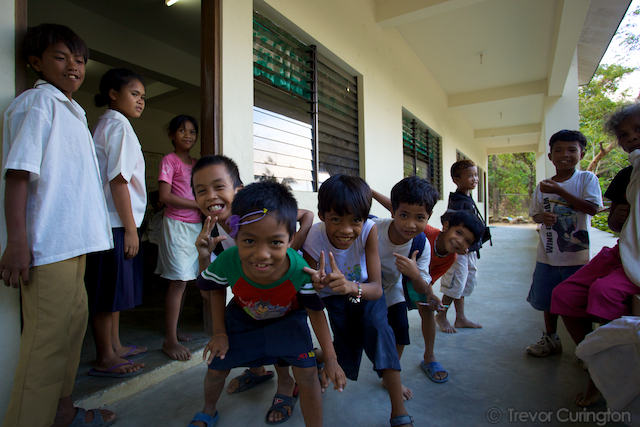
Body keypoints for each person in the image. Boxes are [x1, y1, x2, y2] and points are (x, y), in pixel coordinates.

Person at [0, 24, 115, 427]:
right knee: (45, 345)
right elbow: (18, 174)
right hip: (47, 245)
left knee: (71, 330)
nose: (73, 67)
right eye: (61, 58)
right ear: (36, 62)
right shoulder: (37, 104)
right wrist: (17, 242)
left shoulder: (74, 111)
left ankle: (62, 412)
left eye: (79, 60)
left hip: (74, 243)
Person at [189, 180, 345, 427]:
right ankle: (208, 410)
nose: (262, 254)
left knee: (306, 374)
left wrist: (332, 359)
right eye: (249, 241)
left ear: (291, 239)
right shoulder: (228, 260)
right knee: (216, 369)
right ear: (235, 236)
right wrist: (219, 332)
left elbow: (315, 312)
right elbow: (213, 290)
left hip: (288, 319)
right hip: (242, 316)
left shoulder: (299, 270)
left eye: (275, 242)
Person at [303, 174, 414, 427]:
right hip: (334, 300)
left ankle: (399, 411)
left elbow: (376, 288)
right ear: (322, 215)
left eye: (355, 220)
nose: (346, 229)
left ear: (364, 218)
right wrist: (317, 284)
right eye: (336, 219)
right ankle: (318, 357)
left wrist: (351, 287)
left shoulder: (368, 230)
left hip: (363, 292)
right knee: (346, 357)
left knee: (380, 331)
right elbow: (311, 293)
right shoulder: (314, 238)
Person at [551, 104, 640, 407]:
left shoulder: (586, 179)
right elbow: (613, 223)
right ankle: (593, 358)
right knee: (562, 294)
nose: (631, 138)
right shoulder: (628, 175)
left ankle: (603, 376)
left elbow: (590, 209)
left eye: (637, 130)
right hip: (622, 251)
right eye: (624, 135)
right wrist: (620, 215)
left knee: (603, 292)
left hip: (633, 258)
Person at [373, 190, 485, 385]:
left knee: (426, 311)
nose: (460, 241)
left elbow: (428, 280)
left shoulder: (451, 257)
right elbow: (398, 208)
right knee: (386, 317)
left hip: (416, 277)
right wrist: (371, 192)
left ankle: (429, 357)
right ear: (446, 226)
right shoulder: (423, 232)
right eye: (458, 233)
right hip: (395, 271)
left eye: (467, 241)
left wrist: (431, 294)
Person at [84, 68, 147, 378]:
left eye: (143, 97)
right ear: (113, 94)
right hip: (116, 223)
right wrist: (131, 230)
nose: (141, 101)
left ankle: (116, 346)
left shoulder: (107, 124)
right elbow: (119, 181)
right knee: (106, 291)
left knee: (115, 290)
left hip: (113, 221)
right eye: (134, 94)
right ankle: (105, 356)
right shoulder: (118, 127)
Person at [525, 130, 602, 357]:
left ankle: (586, 348)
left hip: (577, 259)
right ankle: (551, 338)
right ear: (550, 156)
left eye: (571, 150)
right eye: (558, 150)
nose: (565, 155)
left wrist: (559, 191)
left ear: (582, 154)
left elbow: (592, 208)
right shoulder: (543, 186)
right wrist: (543, 217)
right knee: (547, 300)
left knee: (576, 303)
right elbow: (536, 215)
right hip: (547, 256)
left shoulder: (586, 179)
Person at [370, 177, 439, 398]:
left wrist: (414, 273)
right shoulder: (373, 229)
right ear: (392, 211)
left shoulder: (421, 244)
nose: (411, 224)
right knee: (357, 333)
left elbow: (423, 287)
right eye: (404, 215)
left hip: (392, 288)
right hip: (365, 287)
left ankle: (390, 378)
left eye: (420, 218)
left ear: (429, 217)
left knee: (400, 331)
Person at [155, 115, 202, 361]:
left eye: (192, 131)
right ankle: (169, 340)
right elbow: (164, 196)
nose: (188, 135)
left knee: (184, 281)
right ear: (172, 135)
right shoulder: (169, 161)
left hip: (195, 227)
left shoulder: (197, 164)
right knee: (178, 282)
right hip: (176, 226)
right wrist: (197, 204)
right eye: (182, 130)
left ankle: (175, 330)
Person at [436, 159, 487, 333]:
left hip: (468, 250)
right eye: (470, 176)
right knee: (455, 284)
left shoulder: (467, 198)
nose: (475, 179)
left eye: (476, 175)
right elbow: (448, 221)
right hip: (459, 252)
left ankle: (461, 318)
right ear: (456, 180)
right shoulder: (458, 201)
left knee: (464, 282)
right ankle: (441, 314)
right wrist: (458, 245)